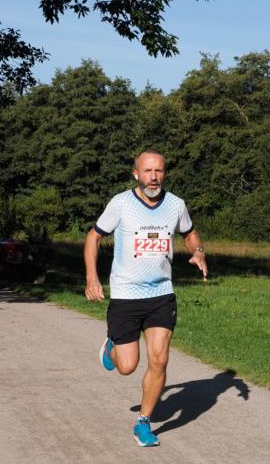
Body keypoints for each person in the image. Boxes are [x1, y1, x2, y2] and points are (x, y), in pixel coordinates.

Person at [84, 149, 208, 447]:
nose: (154, 177)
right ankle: (111, 348)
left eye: (159, 171)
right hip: (126, 295)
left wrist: (198, 251)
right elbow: (93, 236)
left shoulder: (176, 205)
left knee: (160, 359)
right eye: (148, 171)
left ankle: (143, 422)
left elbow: (189, 233)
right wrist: (91, 277)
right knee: (127, 366)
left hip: (161, 294)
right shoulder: (121, 203)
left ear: (164, 173)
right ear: (136, 173)